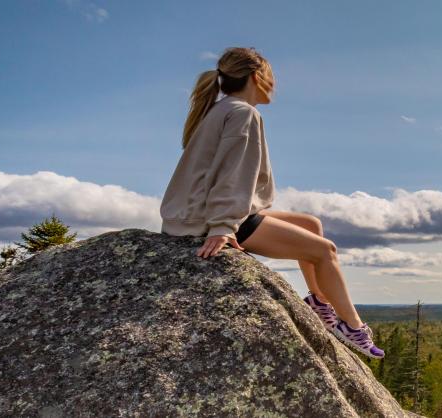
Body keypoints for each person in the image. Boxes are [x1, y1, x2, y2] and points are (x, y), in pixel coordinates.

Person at [159, 47, 383, 359]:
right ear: (255, 77)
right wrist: (223, 227)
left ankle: (320, 304)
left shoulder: (223, 108)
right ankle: (353, 327)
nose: (275, 84)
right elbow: (233, 173)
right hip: (208, 220)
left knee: (311, 226)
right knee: (324, 250)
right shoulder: (243, 113)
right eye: (271, 77)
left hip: (196, 212)